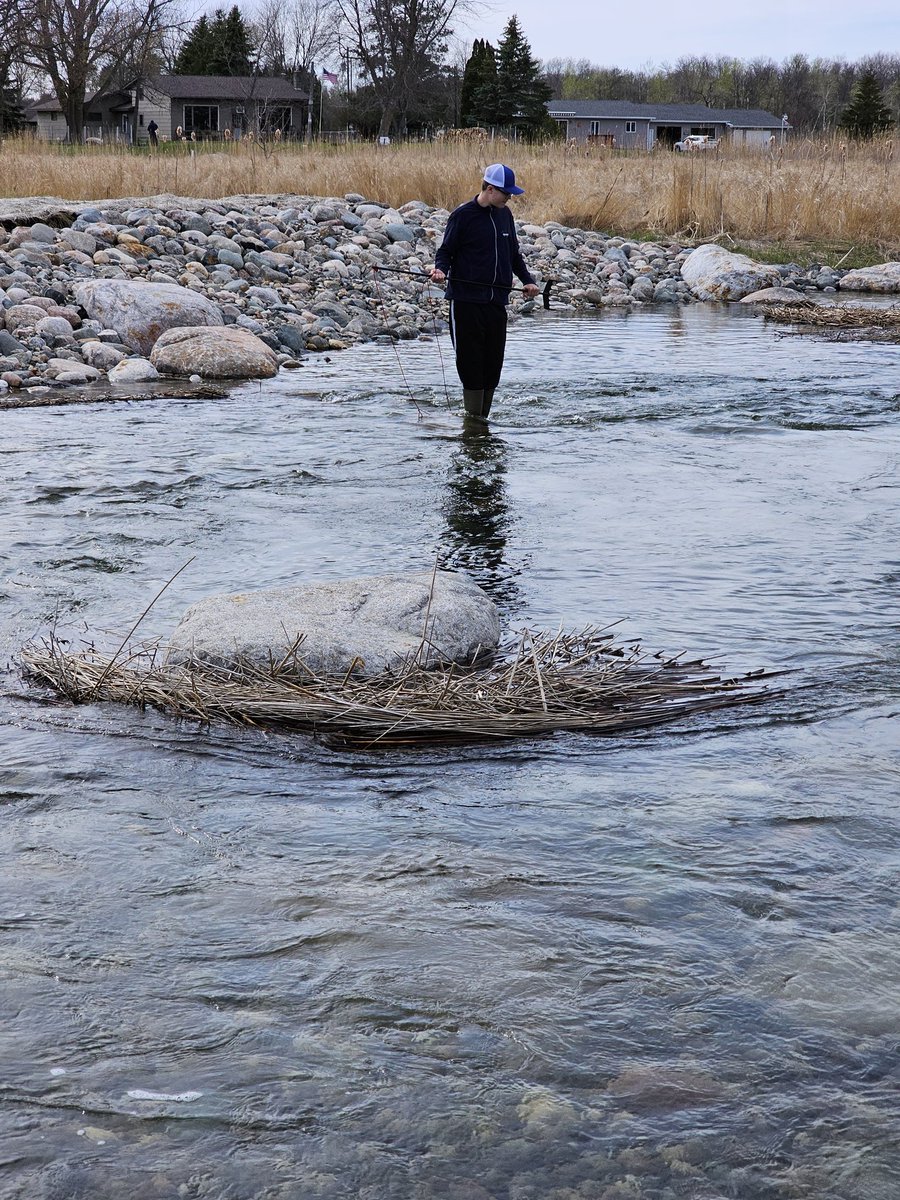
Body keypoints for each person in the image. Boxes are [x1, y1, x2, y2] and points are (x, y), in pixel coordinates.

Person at [430, 163, 539, 422]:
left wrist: (527, 280)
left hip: (496, 303)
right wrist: (440, 270)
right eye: (506, 193)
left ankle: (482, 423)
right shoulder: (462, 216)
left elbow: (513, 254)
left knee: (492, 368)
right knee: (471, 367)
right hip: (466, 302)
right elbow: (445, 251)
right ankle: (473, 425)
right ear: (490, 189)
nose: (509, 198)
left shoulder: (505, 215)